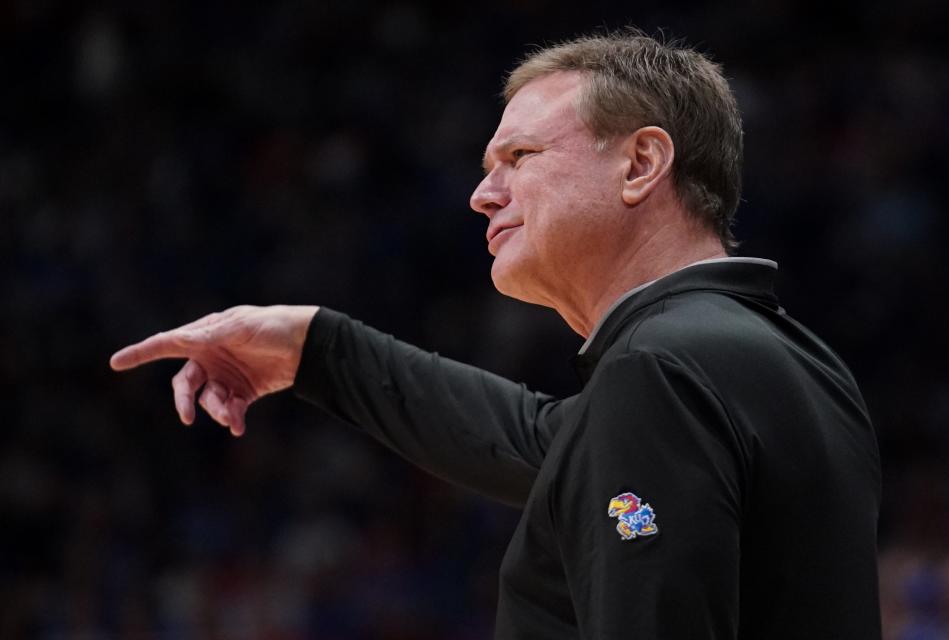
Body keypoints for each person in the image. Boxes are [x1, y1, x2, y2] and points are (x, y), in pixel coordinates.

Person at [110, 31, 881, 639]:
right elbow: (542, 443)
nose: (482, 195)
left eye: (519, 157)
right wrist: (319, 349)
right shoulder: (789, 363)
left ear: (642, 163)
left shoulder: (661, 371)